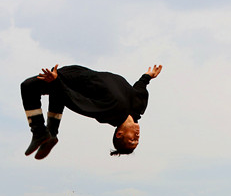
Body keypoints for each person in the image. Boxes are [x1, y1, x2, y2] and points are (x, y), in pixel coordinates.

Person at [20, 63, 163, 160]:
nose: (137, 137)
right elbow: (139, 88)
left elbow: (77, 102)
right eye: (137, 140)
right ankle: (51, 134)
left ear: (120, 134)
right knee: (59, 93)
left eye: (132, 140)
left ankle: (39, 132)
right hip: (80, 72)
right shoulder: (138, 109)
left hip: (73, 81)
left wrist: (56, 82)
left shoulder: (109, 112)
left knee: (28, 86)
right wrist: (147, 76)